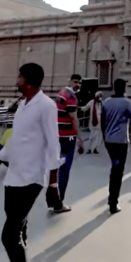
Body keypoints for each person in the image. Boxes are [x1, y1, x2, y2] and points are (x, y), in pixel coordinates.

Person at [0, 63, 62, 262]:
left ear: (28, 81)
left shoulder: (47, 105)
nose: (17, 80)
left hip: (32, 178)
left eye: (20, 77)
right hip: (13, 175)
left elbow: (53, 142)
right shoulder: (22, 105)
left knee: (8, 236)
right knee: (15, 226)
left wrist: (53, 184)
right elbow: (15, 140)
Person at [101, 79, 131, 214]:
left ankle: (112, 199)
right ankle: (113, 203)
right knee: (117, 172)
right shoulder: (126, 102)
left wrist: (105, 138)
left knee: (114, 170)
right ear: (123, 88)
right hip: (121, 142)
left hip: (109, 141)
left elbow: (102, 122)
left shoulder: (106, 102)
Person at [50, 75, 83, 214]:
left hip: (57, 136)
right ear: (69, 81)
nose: (77, 85)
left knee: (55, 169)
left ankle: (52, 200)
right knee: (64, 170)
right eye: (75, 82)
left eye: (80, 83)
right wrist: (80, 139)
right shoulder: (70, 97)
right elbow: (74, 119)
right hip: (67, 138)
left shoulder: (60, 94)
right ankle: (58, 203)